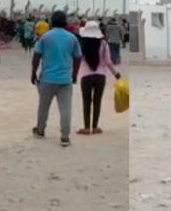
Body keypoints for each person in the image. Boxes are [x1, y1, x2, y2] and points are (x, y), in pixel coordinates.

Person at [31, 10, 82, 147]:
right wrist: (74, 74)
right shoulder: (72, 38)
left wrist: (33, 72)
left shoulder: (45, 37)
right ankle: (65, 137)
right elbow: (77, 57)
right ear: (65, 22)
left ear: (51, 22)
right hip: (65, 79)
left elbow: (36, 56)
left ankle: (40, 130)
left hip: (47, 78)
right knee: (65, 109)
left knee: (43, 107)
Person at [76, 20, 120, 135]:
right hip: (101, 76)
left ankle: (86, 128)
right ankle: (95, 127)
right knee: (97, 101)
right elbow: (108, 62)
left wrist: (73, 74)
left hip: (86, 76)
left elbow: (77, 60)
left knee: (86, 102)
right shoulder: (104, 44)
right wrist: (116, 73)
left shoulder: (82, 45)